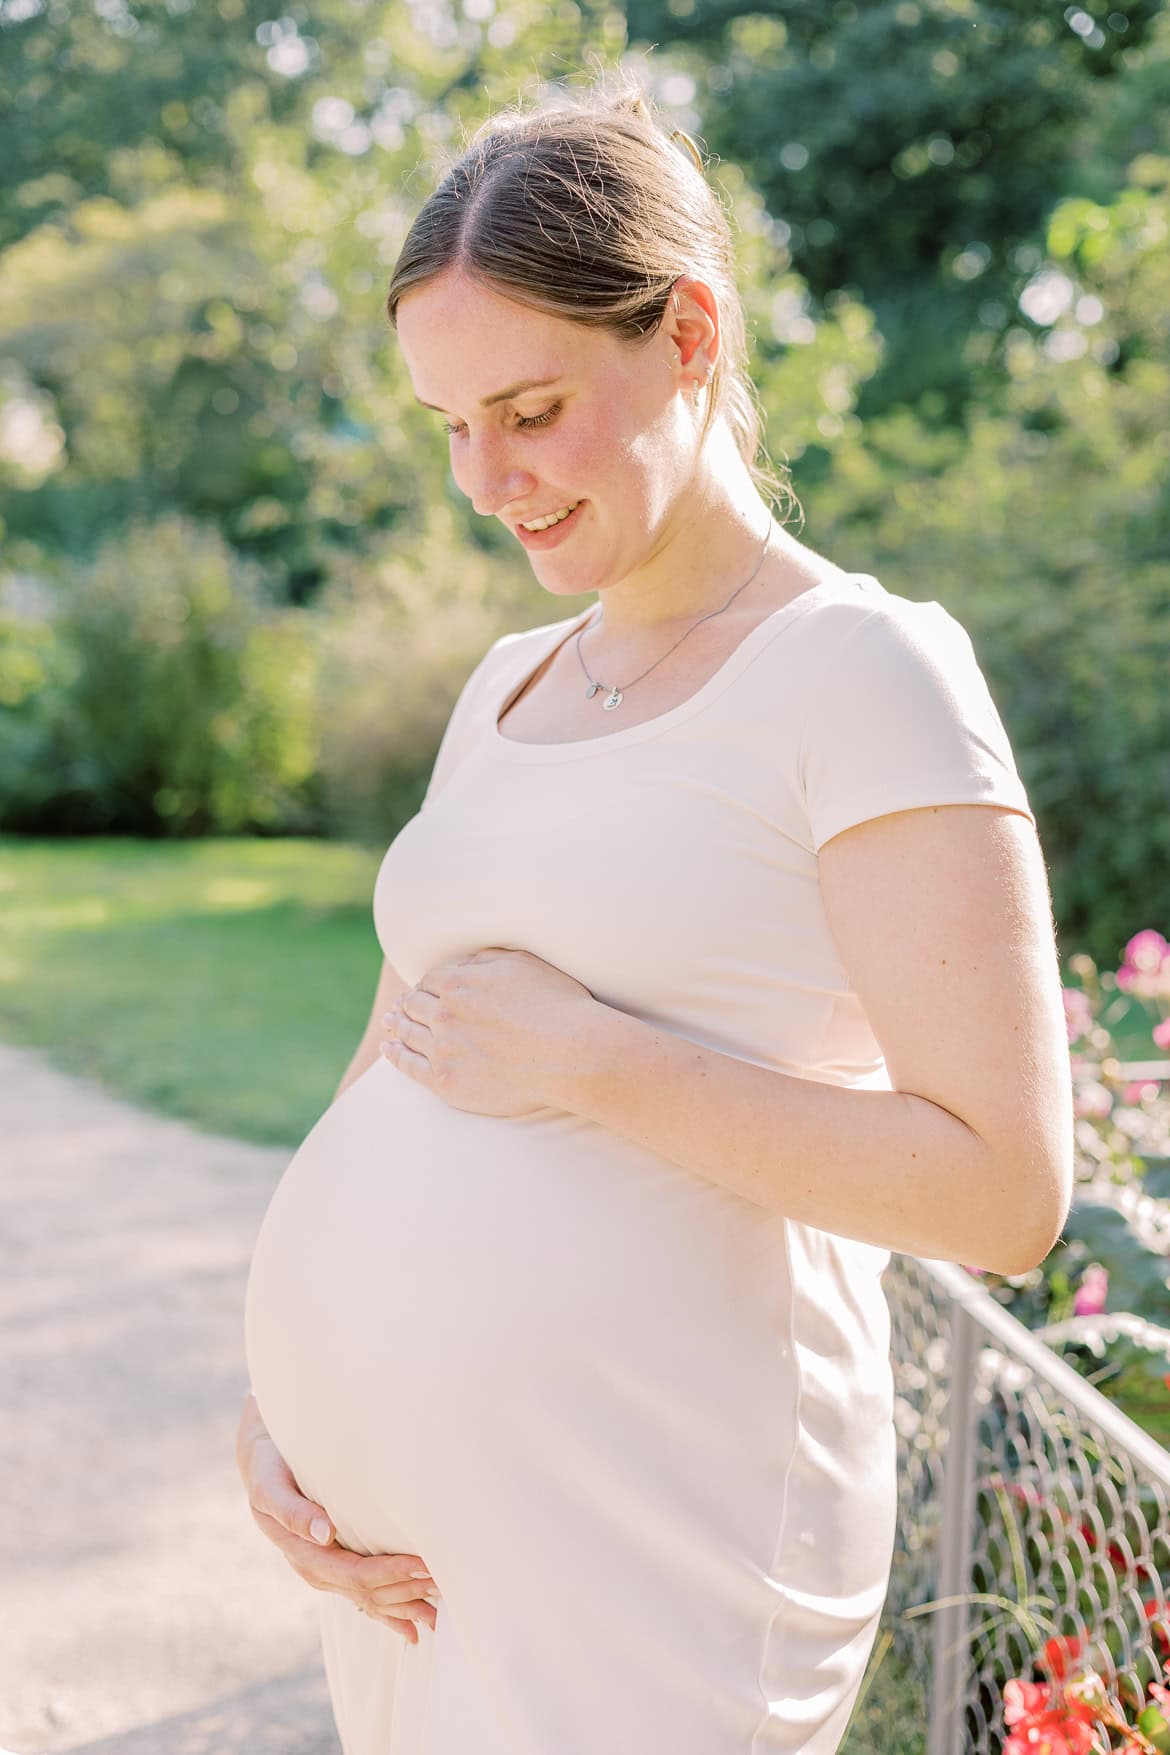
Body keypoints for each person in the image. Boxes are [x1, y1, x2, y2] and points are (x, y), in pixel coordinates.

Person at [237, 72, 1074, 1755]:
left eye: (530, 410)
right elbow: (407, 1045)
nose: (485, 477)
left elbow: (1003, 1189)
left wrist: (598, 1061)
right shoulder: (503, 685)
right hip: (420, 1560)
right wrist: (283, 1402)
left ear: (688, 332)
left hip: (658, 1533)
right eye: (447, 424)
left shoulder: (864, 672)